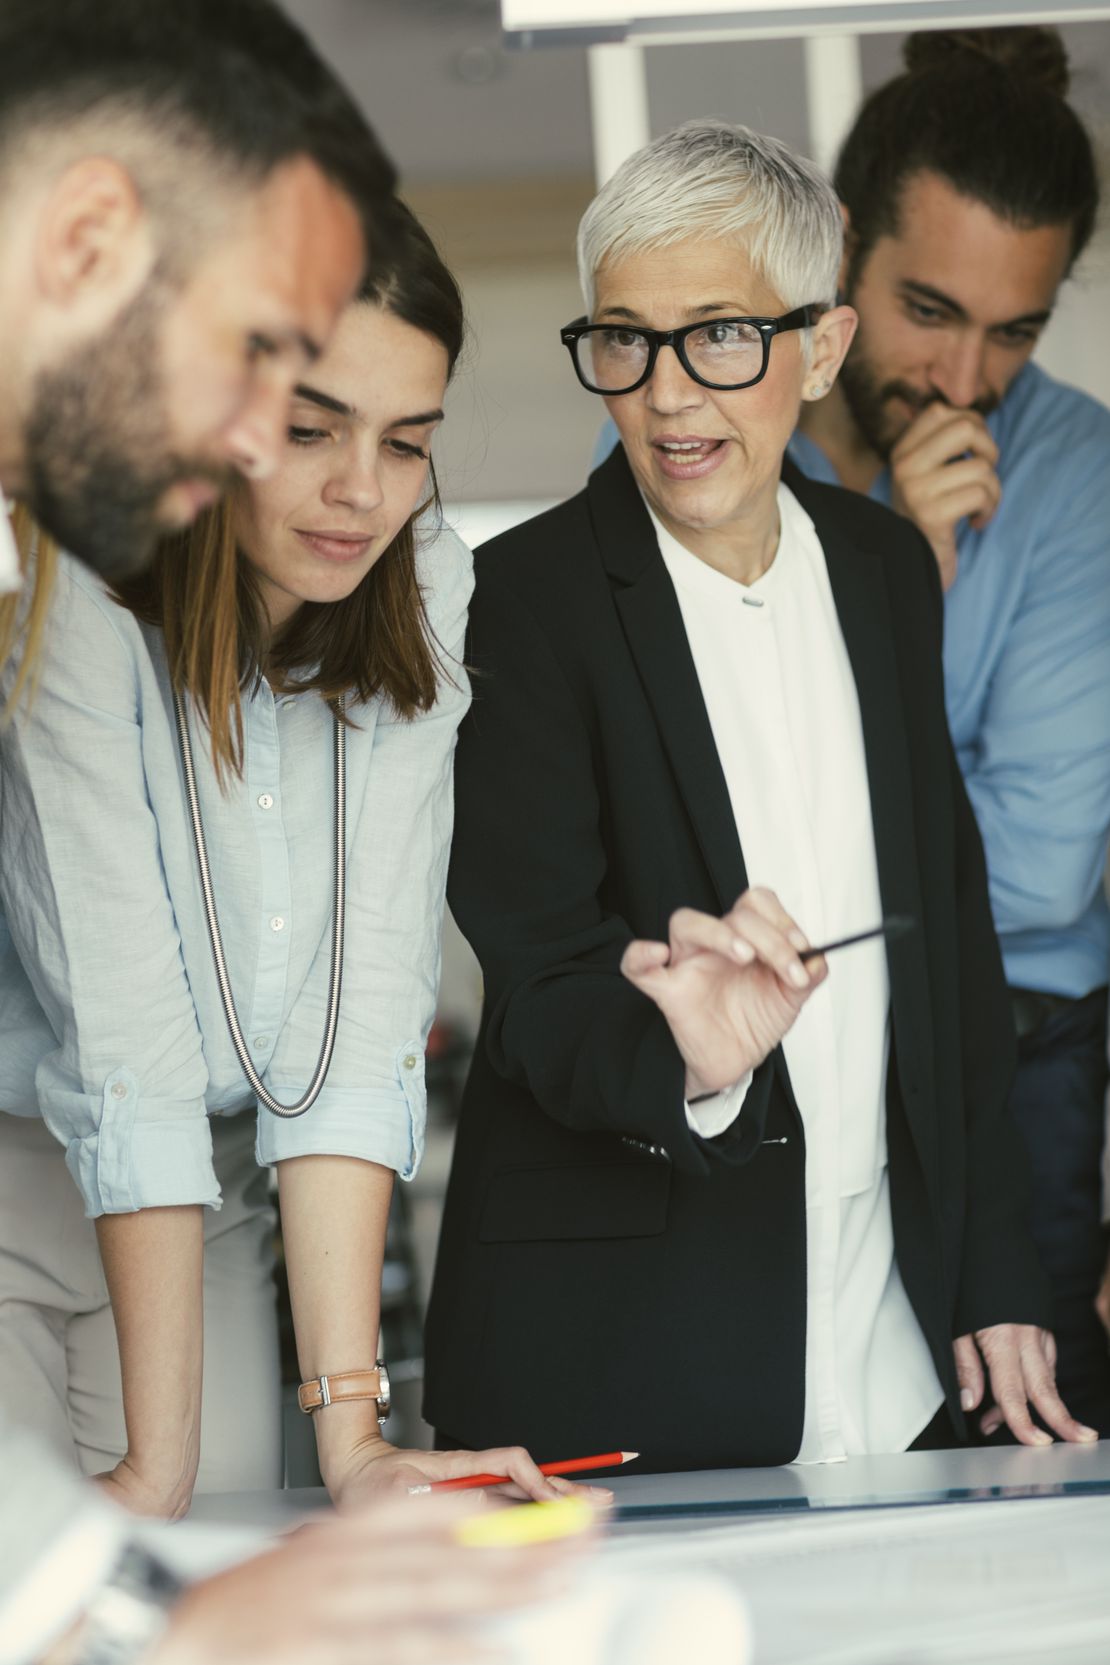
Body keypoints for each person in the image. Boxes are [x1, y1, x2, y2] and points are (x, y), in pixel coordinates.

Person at [0, 5, 581, 1659]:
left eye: (407, 442)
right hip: (27, 1189)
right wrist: (156, 1466)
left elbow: (355, 1017)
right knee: (82, 1596)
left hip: (214, 1214)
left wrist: (358, 1431)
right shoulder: (84, 576)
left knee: (268, 1581)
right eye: (315, 427)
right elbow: (126, 1031)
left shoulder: (426, 583)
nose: (360, 492)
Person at [422, 119, 1099, 1470]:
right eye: (624, 340)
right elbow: (540, 982)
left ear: (824, 348)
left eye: (722, 336)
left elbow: (949, 948)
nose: (667, 396)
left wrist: (994, 1265)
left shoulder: (886, 567)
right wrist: (689, 1056)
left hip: (891, 1332)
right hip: (627, 1343)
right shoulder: (519, 601)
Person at [785, 27, 1110, 1437]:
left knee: (1029, 1483)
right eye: (929, 309)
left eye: (1014, 329)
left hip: (1019, 1060)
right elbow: (680, 812)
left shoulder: (1076, 475)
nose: (967, 378)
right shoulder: (700, 435)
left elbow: (1038, 873)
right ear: (840, 247)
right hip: (783, 1064)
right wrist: (895, 570)